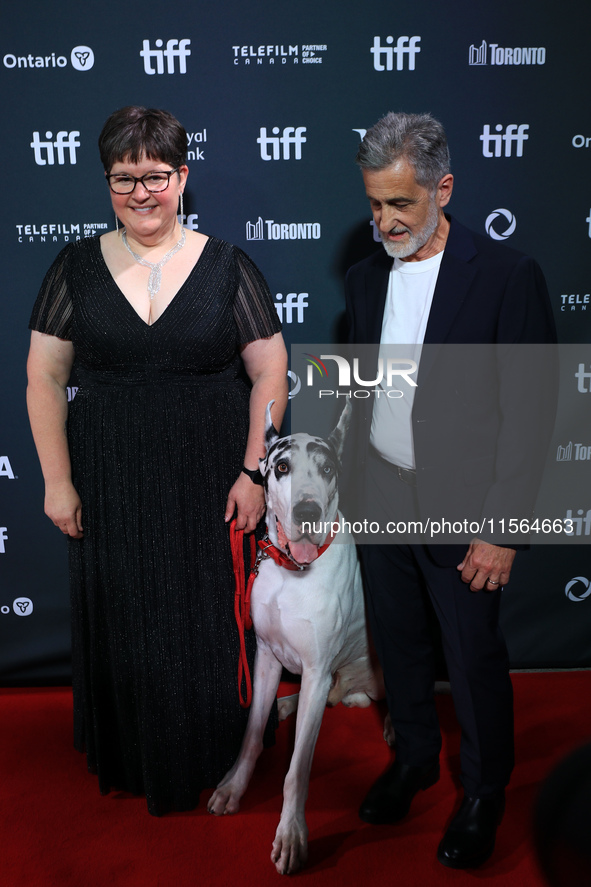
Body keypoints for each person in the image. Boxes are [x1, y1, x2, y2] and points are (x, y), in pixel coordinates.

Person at [26, 106, 288, 816]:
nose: (141, 192)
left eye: (155, 176)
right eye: (124, 178)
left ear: (182, 175)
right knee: (122, 611)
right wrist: (57, 480)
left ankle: (215, 749)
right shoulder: (74, 266)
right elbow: (44, 377)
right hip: (108, 471)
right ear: (106, 181)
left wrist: (252, 471)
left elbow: (270, 372)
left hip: (208, 473)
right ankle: (131, 751)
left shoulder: (229, 265)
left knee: (205, 613)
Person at [344, 112, 556, 867]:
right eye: (374, 204)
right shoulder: (365, 278)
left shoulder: (505, 274)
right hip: (382, 499)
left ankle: (482, 791)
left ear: (444, 187)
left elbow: (532, 415)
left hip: (467, 508)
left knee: (470, 658)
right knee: (399, 649)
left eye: (400, 203)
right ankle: (412, 760)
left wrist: (501, 529)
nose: (384, 220)